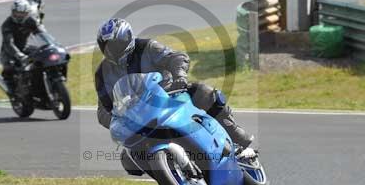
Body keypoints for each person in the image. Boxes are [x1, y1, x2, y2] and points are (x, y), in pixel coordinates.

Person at [95, 18, 256, 167]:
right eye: (107, 47)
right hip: (138, 117)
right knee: (128, 161)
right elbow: (103, 109)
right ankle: (169, 175)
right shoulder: (102, 73)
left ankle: (236, 141)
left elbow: (177, 57)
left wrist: (179, 75)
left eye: (116, 44)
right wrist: (119, 122)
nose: (112, 50)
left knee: (205, 94)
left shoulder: (147, 47)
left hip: (169, 95)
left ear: (127, 38)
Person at [0, 0, 44, 93]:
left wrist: (50, 43)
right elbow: (9, 43)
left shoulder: (31, 21)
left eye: (22, 13)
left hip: (25, 47)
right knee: (10, 67)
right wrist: (19, 55)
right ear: (12, 12)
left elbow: (42, 33)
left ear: (27, 13)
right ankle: (12, 91)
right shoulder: (7, 24)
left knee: (42, 56)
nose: (19, 16)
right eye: (16, 13)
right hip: (9, 52)